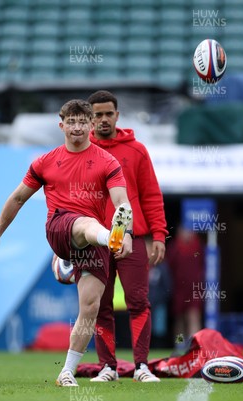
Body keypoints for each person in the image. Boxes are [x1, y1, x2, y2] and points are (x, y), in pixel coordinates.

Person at [0, 99, 133, 386]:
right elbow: (18, 198)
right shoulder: (46, 162)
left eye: (82, 121)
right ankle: (101, 240)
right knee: (87, 225)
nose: (76, 127)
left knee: (90, 306)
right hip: (61, 226)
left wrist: (129, 232)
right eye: (71, 122)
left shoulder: (108, 162)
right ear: (61, 126)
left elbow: (122, 203)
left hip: (95, 241)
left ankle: (67, 371)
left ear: (91, 125)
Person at [87, 90, 168, 383]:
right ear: (90, 118)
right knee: (99, 304)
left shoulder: (137, 150)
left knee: (138, 301)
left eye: (109, 113)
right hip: (94, 239)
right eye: (98, 115)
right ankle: (108, 367)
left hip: (132, 238)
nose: (104, 119)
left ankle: (141, 366)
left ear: (117, 115)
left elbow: (150, 195)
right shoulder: (81, 150)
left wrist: (159, 234)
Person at [166, 225, 204, 351]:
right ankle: (180, 343)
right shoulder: (174, 247)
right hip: (178, 288)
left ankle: (195, 344)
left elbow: (203, 265)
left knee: (193, 315)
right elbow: (169, 267)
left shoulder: (197, 246)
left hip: (194, 288)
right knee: (179, 318)